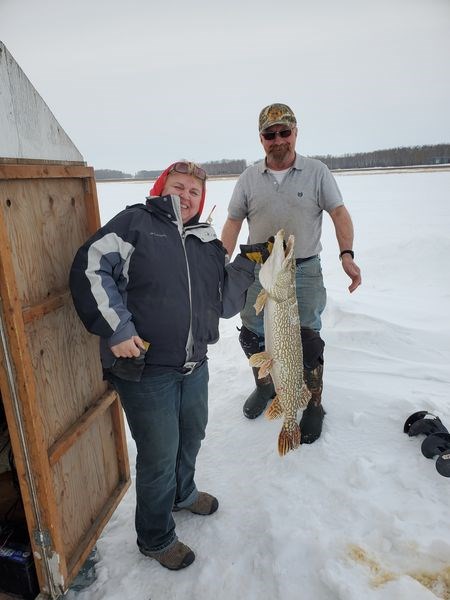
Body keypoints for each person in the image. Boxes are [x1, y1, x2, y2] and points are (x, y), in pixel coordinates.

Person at [69, 161, 268, 571]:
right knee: (159, 455)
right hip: (144, 369)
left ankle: (183, 494)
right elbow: (90, 267)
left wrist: (247, 263)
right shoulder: (135, 224)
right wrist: (118, 329)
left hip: (195, 364)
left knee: (191, 436)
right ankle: (155, 537)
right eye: (179, 186)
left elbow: (225, 305)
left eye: (195, 192)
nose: (187, 196)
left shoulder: (206, 241)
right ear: (162, 187)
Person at [221, 103, 362, 442]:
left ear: (295, 133)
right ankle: (267, 386)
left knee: (308, 339)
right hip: (260, 269)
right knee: (251, 334)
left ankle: (313, 403)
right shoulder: (249, 178)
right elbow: (233, 222)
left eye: (285, 132)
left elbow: (339, 213)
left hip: (305, 268)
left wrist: (347, 254)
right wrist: (219, 263)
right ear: (261, 139)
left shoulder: (317, 172)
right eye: (270, 134)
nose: (278, 139)